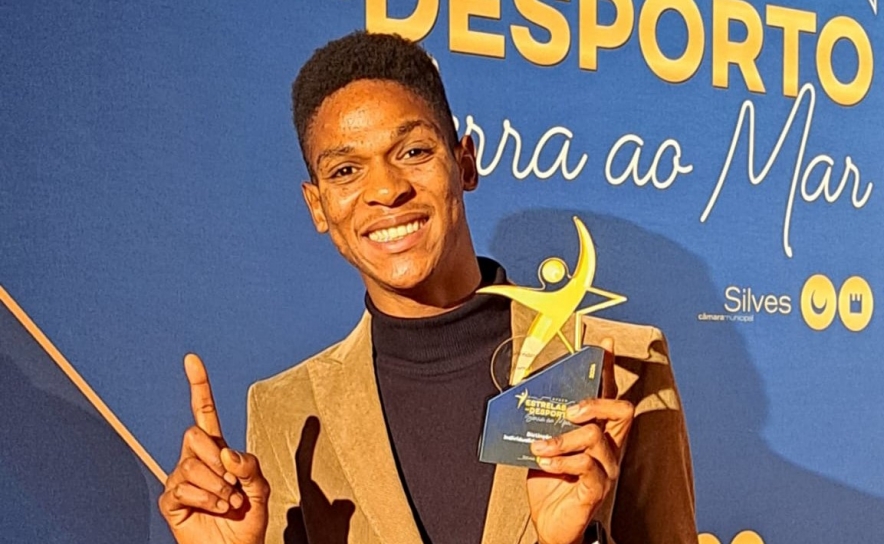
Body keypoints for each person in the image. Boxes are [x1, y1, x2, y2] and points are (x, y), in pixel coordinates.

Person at [158, 31, 696, 544]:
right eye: (345, 171)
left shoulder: (623, 367)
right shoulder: (287, 411)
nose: (386, 189)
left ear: (464, 163)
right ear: (317, 206)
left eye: (413, 152)